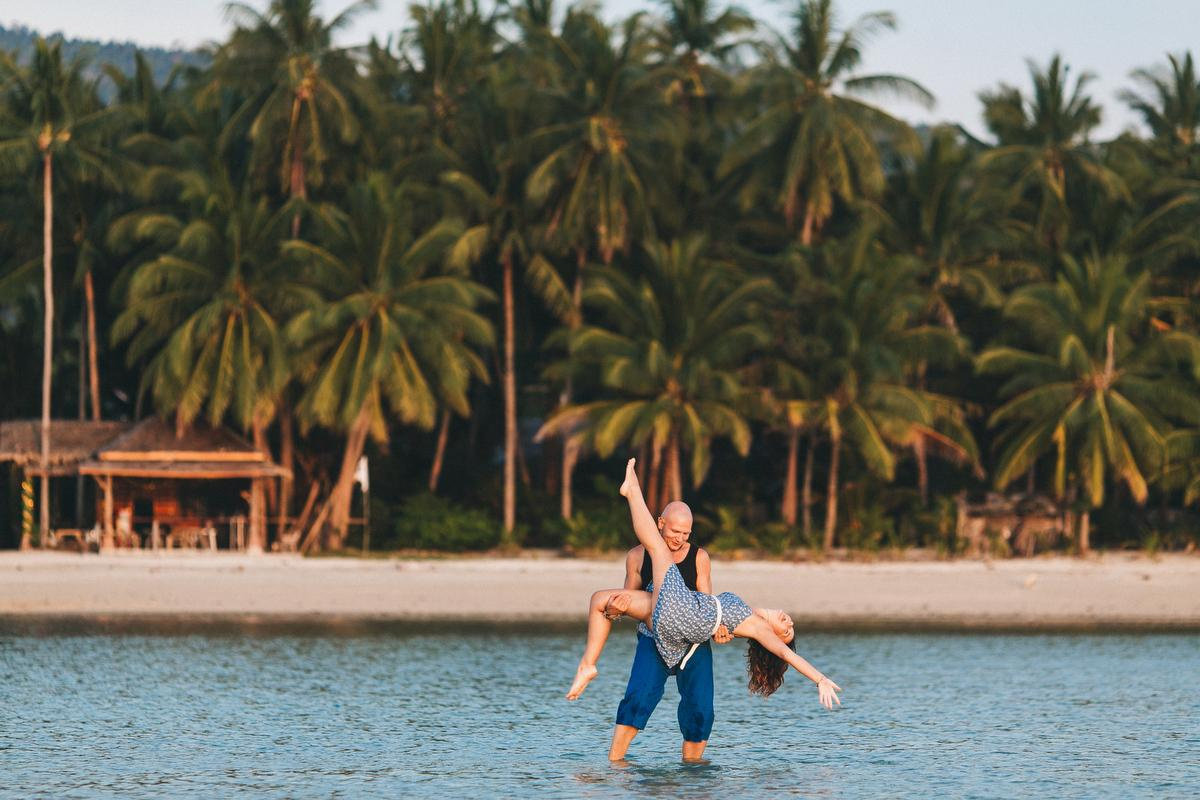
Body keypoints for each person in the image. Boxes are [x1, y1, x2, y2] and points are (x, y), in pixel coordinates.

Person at [567, 459, 841, 713]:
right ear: (665, 521)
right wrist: (618, 610)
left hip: (684, 613)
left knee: (655, 546)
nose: (788, 621)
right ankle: (588, 665)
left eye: (786, 629)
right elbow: (706, 612)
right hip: (677, 617)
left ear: (773, 636)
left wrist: (820, 678)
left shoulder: (758, 628)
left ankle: (633, 490)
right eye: (792, 625)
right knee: (601, 599)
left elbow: (784, 653)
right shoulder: (749, 614)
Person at [601, 498, 732, 761]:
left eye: (686, 534)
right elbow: (630, 603)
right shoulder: (637, 557)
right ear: (660, 523)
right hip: (653, 638)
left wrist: (720, 628)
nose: (680, 539)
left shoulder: (700, 557)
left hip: (692, 643)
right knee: (638, 697)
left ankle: (692, 769)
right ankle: (614, 765)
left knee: (701, 708)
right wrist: (613, 611)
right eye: (674, 531)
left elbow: (708, 604)